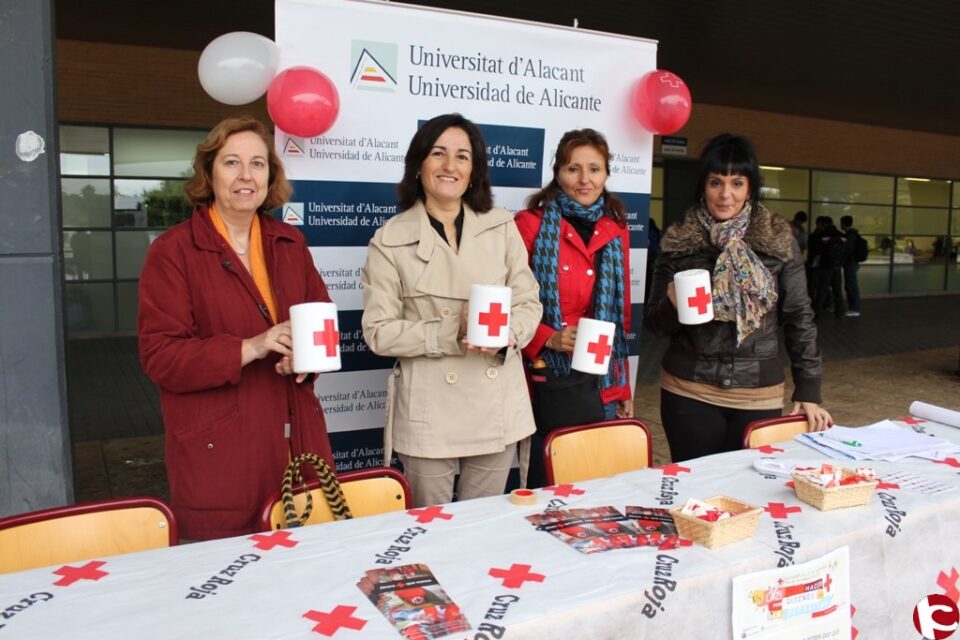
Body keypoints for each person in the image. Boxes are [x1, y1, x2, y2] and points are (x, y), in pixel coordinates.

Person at [138, 117, 334, 540]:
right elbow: (161, 357)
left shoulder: (290, 242)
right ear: (209, 173)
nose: (246, 175)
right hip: (221, 451)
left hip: (298, 437)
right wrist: (253, 346)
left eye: (258, 164)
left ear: (271, 175)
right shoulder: (172, 252)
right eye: (231, 163)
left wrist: (303, 357)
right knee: (232, 579)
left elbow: (320, 319)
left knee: (311, 567)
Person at [361, 113, 542, 507]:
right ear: (419, 164)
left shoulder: (501, 226)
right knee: (431, 530)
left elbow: (528, 301)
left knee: (483, 529)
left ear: (474, 170)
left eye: (462, 156)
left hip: (496, 402)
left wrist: (506, 334)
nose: (450, 166)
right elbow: (378, 331)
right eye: (438, 153)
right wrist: (449, 333)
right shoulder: (389, 240)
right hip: (430, 410)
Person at [645, 133, 831, 462]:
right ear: (703, 186)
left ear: (750, 188)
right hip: (689, 390)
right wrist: (672, 304)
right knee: (696, 493)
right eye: (716, 182)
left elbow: (799, 316)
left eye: (737, 183)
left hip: (758, 394)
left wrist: (809, 389)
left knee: (752, 492)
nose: (726, 195)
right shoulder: (678, 241)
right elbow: (655, 325)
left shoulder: (777, 239)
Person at [513, 128, 632, 488]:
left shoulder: (616, 230)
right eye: (572, 169)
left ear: (606, 174)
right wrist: (548, 338)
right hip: (548, 377)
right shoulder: (530, 225)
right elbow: (512, 302)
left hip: (601, 381)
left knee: (597, 484)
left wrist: (623, 390)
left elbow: (621, 315)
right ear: (557, 172)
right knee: (549, 485)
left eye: (594, 169)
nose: (584, 179)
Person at [811, 216, 846, 318]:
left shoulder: (822, 235)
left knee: (822, 289)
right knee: (837, 290)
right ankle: (840, 312)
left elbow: (817, 250)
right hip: (837, 267)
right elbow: (846, 250)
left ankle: (818, 312)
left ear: (822, 224)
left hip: (825, 266)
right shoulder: (841, 235)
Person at [840, 215, 862, 317]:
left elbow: (847, 251)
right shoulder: (853, 234)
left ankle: (854, 309)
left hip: (850, 263)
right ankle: (853, 307)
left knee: (851, 285)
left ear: (844, 223)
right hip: (852, 263)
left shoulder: (850, 236)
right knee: (850, 285)